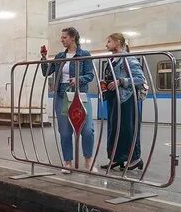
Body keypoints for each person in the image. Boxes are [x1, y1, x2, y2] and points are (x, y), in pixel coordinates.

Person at [40, 27, 95, 173]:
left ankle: (88, 161)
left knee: (87, 130)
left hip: (80, 95)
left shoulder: (84, 55)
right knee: (65, 131)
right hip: (61, 95)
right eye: (62, 37)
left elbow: (90, 75)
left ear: (72, 38)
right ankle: (67, 162)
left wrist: (79, 79)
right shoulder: (59, 56)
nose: (61, 39)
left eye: (64, 37)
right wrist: (44, 58)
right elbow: (46, 72)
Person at [102, 33, 145, 171]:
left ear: (118, 42)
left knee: (128, 129)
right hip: (114, 98)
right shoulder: (112, 60)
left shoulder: (128, 59)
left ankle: (135, 158)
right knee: (114, 129)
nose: (106, 44)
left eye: (109, 41)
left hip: (126, 99)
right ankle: (116, 158)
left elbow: (140, 79)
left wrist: (121, 81)